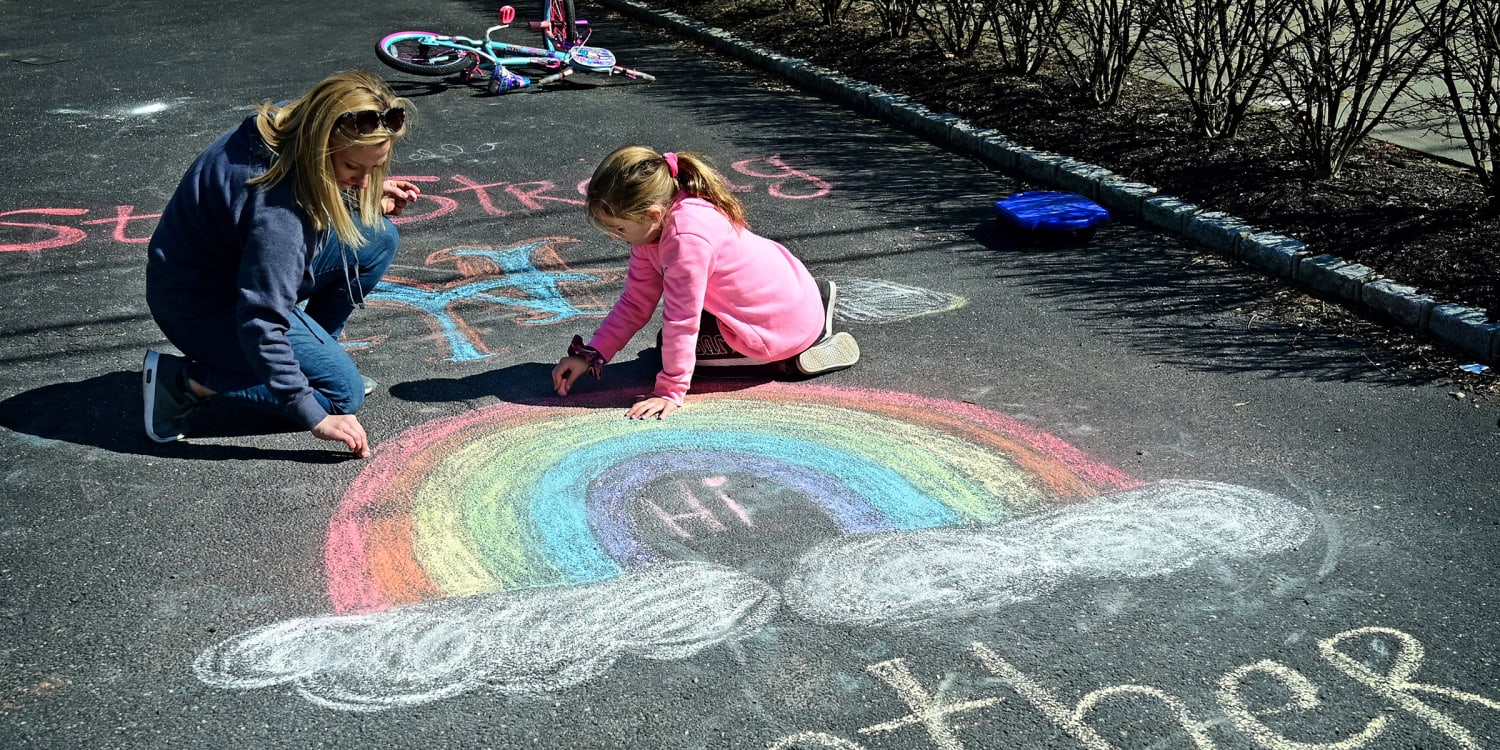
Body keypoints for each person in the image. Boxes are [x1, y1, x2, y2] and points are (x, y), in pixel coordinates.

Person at [142, 70, 420, 458]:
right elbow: (261, 320)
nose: (364, 181)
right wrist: (311, 412)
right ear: (322, 150)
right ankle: (186, 382)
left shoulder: (296, 124)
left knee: (378, 237)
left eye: (374, 169)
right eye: (354, 169)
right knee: (341, 397)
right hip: (201, 308)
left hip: (221, 274)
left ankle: (309, 361)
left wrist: (359, 187)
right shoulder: (280, 212)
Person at [552, 145, 860, 419]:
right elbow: (635, 302)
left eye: (619, 228)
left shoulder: (686, 239)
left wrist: (670, 389)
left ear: (652, 213)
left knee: (666, 350)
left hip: (773, 328)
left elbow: (682, 320)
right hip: (793, 288)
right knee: (674, 346)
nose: (616, 237)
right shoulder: (664, 219)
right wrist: (591, 354)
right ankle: (812, 309)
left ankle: (791, 359)